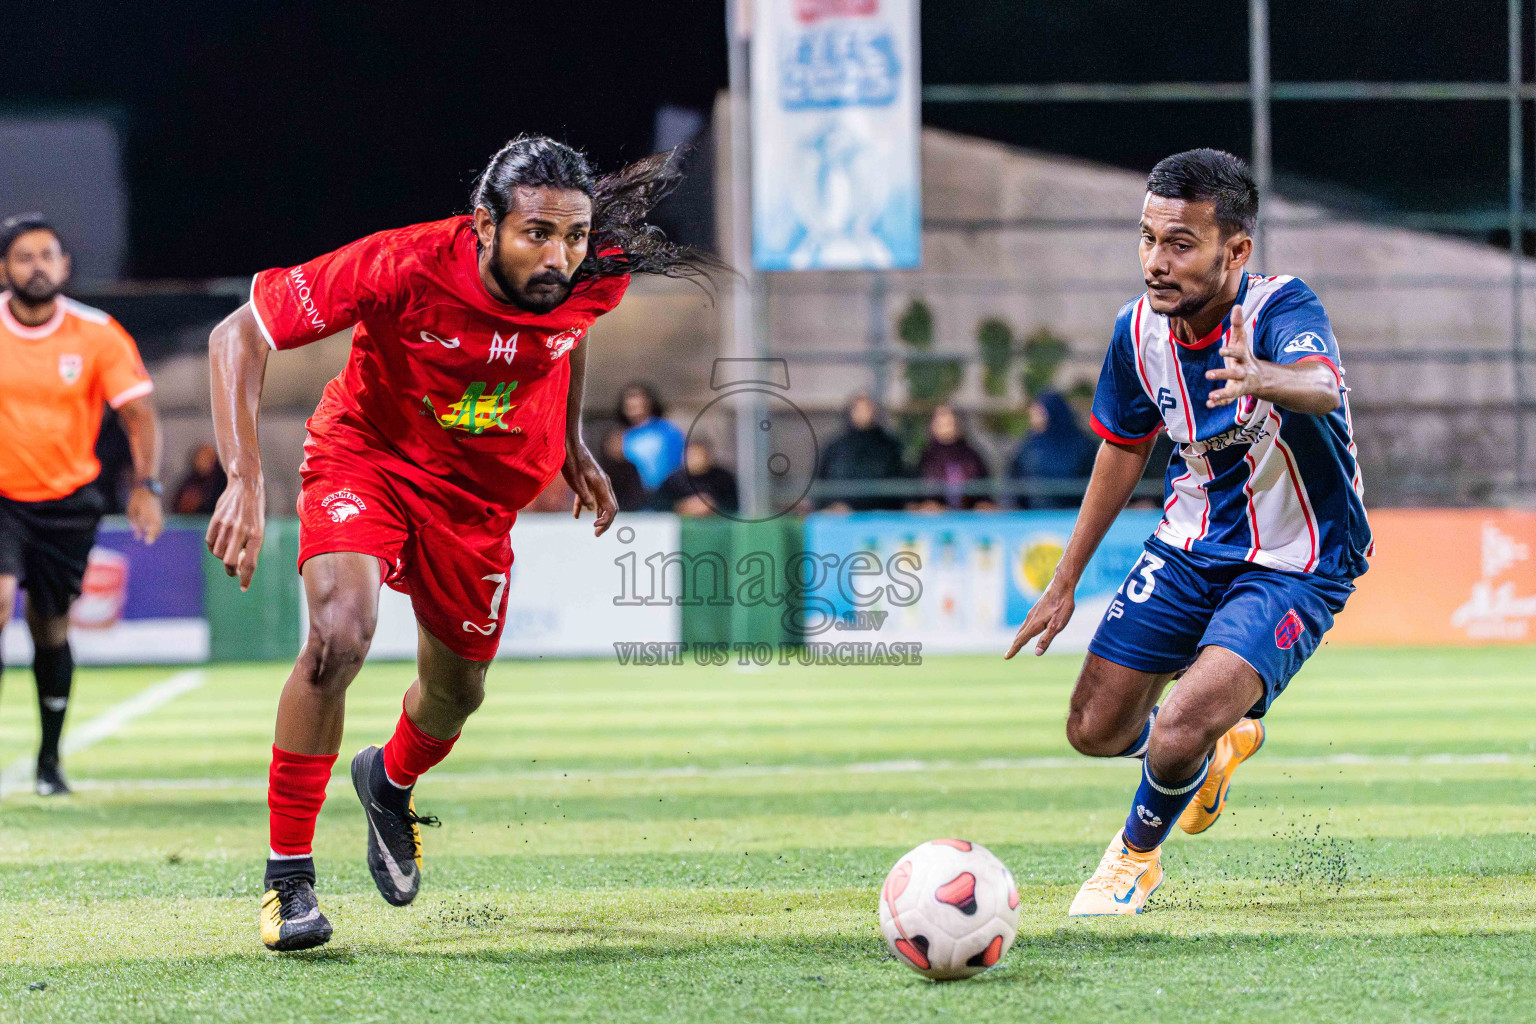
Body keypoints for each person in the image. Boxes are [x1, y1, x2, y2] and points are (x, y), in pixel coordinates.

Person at [204, 136, 715, 952]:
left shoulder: (593, 275)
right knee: (339, 637)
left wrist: (572, 443)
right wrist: (243, 478)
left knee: (456, 697)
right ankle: (288, 881)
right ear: (484, 224)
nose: (561, 256)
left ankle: (389, 780)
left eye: (575, 237)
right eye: (537, 235)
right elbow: (239, 334)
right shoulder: (400, 265)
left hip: (478, 505)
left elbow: (568, 331)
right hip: (367, 456)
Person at [1005, 149, 1370, 917]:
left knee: (1175, 728)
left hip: (1295, 561)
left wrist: (1265, 377)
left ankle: (1133, 859)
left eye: (1180, 244)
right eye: (1147, 238)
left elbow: (1321, 385)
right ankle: (1210, 756)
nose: (1155, 262)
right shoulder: (1137, 329)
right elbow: (1123, 448)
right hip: (1186, 545)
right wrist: (1065, 579)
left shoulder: (1280, 309)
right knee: (1094, 729)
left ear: (1235, 250)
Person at [0, 213, 164, 796]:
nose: (36, 265)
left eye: (47, 254)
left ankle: (49, 761)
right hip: (1, 498)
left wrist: (146, 487)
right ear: (4, 269)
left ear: (65, 267)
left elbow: (139, 413)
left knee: (49, 627)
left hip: (68, 501)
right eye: (23, 256)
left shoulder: (97, 333)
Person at [817, 394, 907, 511]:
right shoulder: (835, 447)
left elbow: (899, 481)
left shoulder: (889, 446)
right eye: (858, 409)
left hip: (881, 514)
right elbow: (821, 481)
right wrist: (830, 505)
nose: (863, 414)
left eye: (866, 409)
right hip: (840, 516)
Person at [1008, 391, 1097, 509]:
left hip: (1072, 514)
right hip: (1033, 518)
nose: (1033, 417)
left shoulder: (1083, 446)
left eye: (1039, 412)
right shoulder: (1028, 446)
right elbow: (1013, 481)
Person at [912, 404, 990, 511]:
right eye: (940, 422)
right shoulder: (925, 458)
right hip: (935, 521)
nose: (945, 426)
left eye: (949, 422)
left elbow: (984, 492)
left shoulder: (971, 456)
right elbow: (913, 498)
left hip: (969, 518)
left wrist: (982, 505)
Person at [616, 382, 685, 490]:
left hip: (665, 493)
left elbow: (678, 462)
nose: (633, 405)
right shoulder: (620, 435)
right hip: (633, 495)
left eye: (637, 401)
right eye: (629, 403)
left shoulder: (667, 430)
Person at [650, 439, 738, 516]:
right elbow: (658, 506)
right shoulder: (674, 480)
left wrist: (712, 505)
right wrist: (681, 506)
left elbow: (735, 504)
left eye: (697, 455)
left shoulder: (723, 478)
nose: (693, 459)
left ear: (708, 456)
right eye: (690, 455)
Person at [596, 425, 647, 512]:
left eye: (621, 442)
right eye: (615, 442)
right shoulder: (599, 468)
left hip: (628, 514)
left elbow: (637, 495)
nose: (619, 446)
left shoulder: (631, 468)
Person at [173, 444, 228, 515]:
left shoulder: (223, 481)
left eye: (208, 457)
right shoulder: (190, 480)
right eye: (202, 457)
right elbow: (177, 504)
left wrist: (201, 502)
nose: (204, 461)